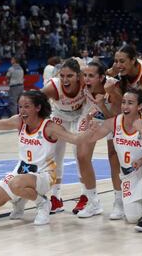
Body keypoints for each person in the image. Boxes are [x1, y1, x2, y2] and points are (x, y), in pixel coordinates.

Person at [0, 90, 89, 225]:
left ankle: (42, 204)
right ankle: (19, 199)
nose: (22, 110)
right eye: (20, 106)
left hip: (44, 175)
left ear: (38, 107)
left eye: (27, 106)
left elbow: (75, 139)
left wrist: (91, 130)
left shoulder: (50, 127)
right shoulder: (19, 121)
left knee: (15, 184)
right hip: (21, 173)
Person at [86, 88, 142, 232]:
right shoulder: (114, 122)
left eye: (130, 103)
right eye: (123, 102)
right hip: (129, 174)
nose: (125, 106)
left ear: (140, 106)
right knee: (133, 218)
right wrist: (89, 127)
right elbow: (91, 138)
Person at [73, 61, 124, 219]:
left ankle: (119, 202)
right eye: (85, 75)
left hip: (115, 117)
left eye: (91, 76)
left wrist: (101, 105)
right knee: (82, 156)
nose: (87, 79)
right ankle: (93, 202)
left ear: (102, 77)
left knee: (113, 157)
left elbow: (114, 117)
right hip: (95, 115)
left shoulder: (113, 87)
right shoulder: (84, 84)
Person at [41, 58, 87, 214]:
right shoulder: (52, 87)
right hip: (59, 115)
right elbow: (36, 102)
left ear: (78, 76)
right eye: (62, 76)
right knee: (55, 156)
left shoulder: (85, 81)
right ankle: (56, 197)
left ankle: (86, 195)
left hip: (80, 115)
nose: (65, 80)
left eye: (70, 76)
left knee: (80, 154)